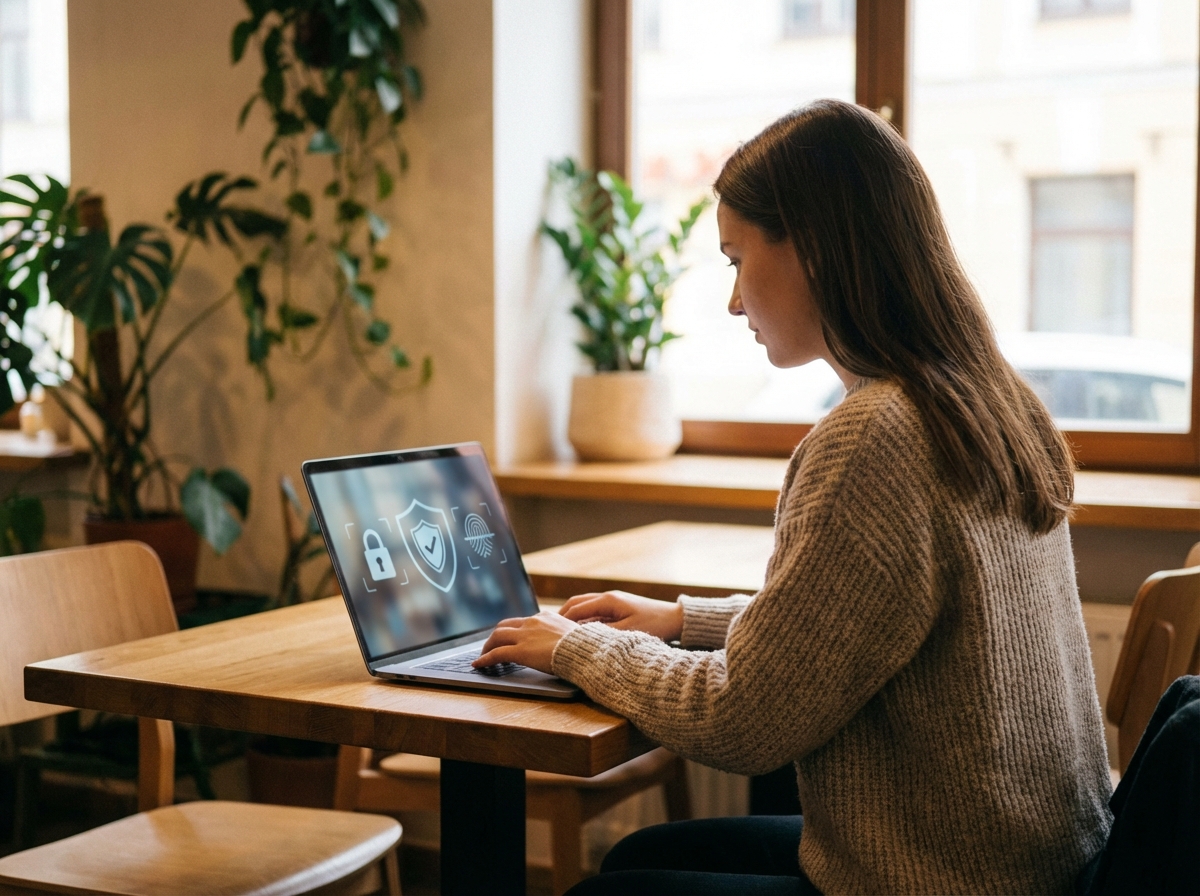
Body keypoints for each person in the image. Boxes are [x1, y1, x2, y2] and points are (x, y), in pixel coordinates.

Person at [475, 99, 1113, 894]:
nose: (734, 301)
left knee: (618, 887)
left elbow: (743, 722)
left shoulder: (875, 436)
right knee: (638, 859)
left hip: (940, 878)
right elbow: (863, 624)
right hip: (1041, 864)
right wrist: (684, 619)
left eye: (737, 259)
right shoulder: (986, 400)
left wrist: (576, 647)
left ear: (812, 247)